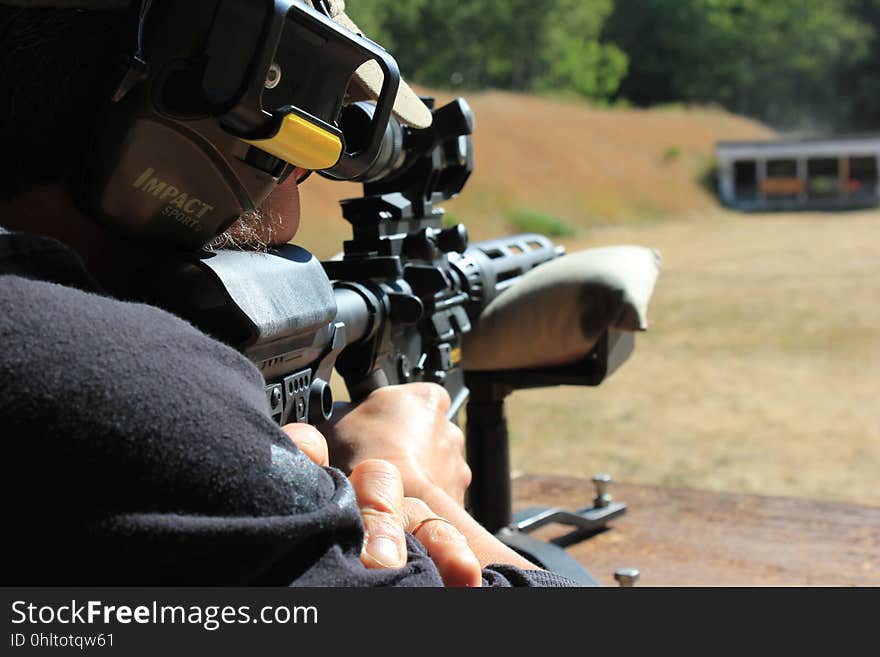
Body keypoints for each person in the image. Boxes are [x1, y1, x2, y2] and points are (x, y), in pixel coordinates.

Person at [0, 0, 578, 586]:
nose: (292, 217)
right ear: (180, 110)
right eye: (289, 162)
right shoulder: (115, 388)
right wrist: (415, 480)